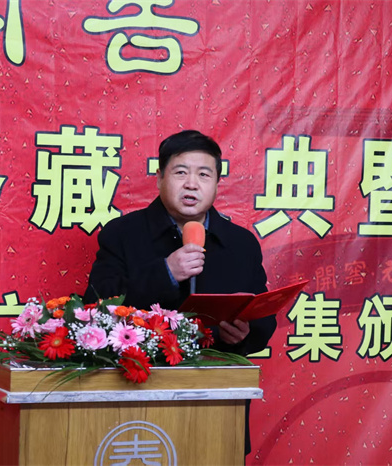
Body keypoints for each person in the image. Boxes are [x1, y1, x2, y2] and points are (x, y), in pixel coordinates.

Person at [84, 129, 276, 455]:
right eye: (181, 172)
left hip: (218, 404)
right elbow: (97, 307)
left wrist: (244, 335)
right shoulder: (122, 234)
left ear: (217, 184)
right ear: (160, 178)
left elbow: (262, 319)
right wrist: (165, 273)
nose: (192, 184)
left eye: (204, 175)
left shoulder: (241, 243)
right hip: (136, 395)